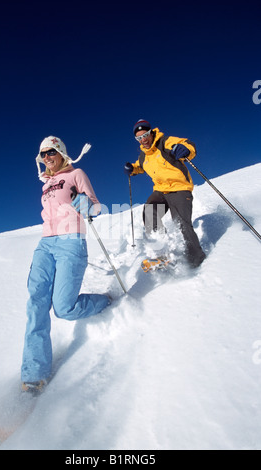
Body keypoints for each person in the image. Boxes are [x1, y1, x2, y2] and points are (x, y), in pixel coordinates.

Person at [21, 136, 110, 393]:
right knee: (36, 303)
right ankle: (33, 375)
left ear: (60, 152)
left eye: (51, 152)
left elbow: (96, 207)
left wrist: (87, 206)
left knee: (63, 308)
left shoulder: (76, 174)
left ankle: (104, 301)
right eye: (43, 154)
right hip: (45, 245)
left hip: (71, 242)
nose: (47, 157)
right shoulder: (46, 184)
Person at [124, 119, 206, 268]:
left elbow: (188, 144)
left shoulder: (164, 142)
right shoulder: (144, 156)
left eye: (145, 135)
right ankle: (162, 254)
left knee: (182, 224)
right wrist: (132, 168)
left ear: (151, 132)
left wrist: (184, 149)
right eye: (139, 138)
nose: (143, 140)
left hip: (179, 188)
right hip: (161, 191)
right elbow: (140, 166)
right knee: (149, 211)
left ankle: (196, 261)